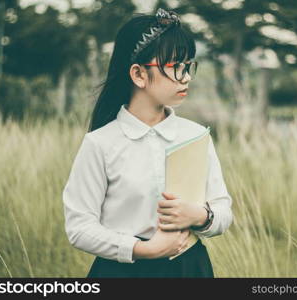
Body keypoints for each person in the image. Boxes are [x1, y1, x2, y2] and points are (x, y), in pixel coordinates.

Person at [62, 8, 233, 278]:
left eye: (188, 66)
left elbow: (224, 211)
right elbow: (79, 227)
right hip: (122, 273)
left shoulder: (197, 135)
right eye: (175, 67)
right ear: (139, 74)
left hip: (190, 269)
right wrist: (144, 250)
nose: (186, 77)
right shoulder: (100, 143)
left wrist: (200, 216)